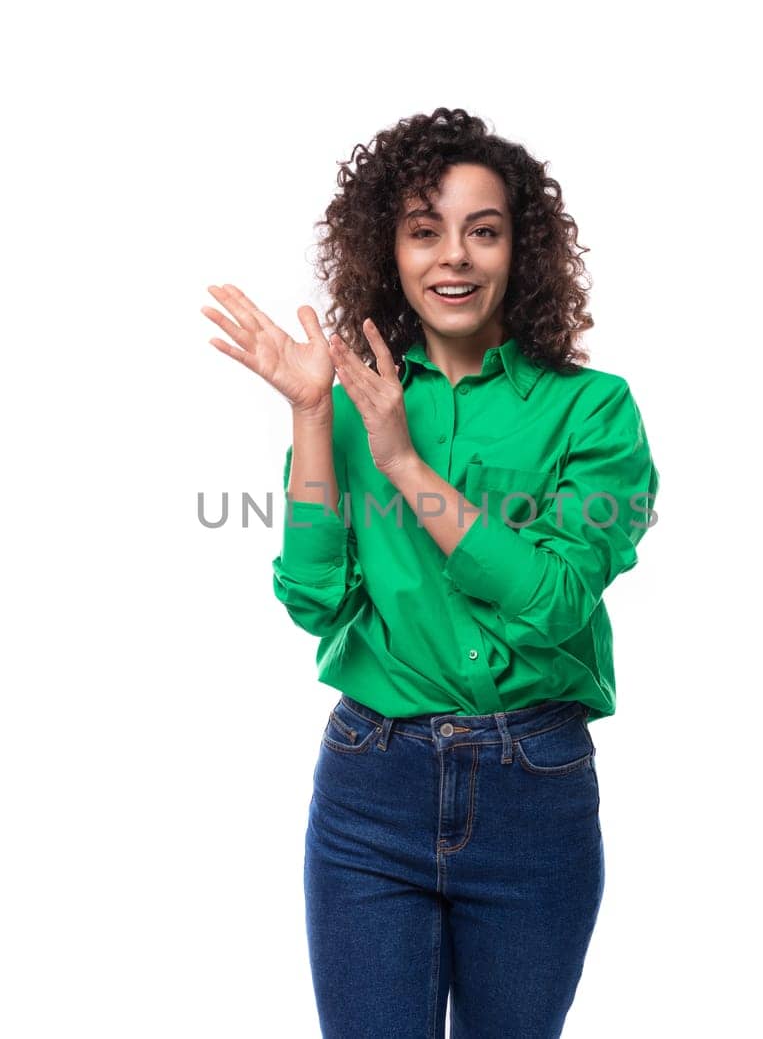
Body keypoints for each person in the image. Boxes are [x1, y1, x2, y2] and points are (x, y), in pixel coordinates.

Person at [203, 107, 660, 1038]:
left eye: (482, 231)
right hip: (372, 793)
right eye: (425, 230)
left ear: (518, 251)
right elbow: (316, 598)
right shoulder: (347, 405)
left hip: (534, 788)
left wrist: (406, 464)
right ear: (392, 251)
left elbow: (557, 601)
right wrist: (308, 413)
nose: (454, 256)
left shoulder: (594, 411)